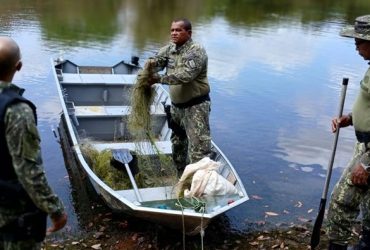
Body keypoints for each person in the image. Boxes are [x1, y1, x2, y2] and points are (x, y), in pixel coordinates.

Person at [0, 36, 67, 249]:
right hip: (10, 214)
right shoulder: (16, 110)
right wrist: (55, 209)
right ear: (18, 66)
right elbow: (28, 170)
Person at [145, 18, 212, 174]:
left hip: (195, 107)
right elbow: (157, 62)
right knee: (178, 142)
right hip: (176, 107)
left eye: (178, 30)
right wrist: (150, 65)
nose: (174, 33)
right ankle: (180, 173)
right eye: (172, 30)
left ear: (189, 33)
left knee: (198, 148)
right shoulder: (170, 49)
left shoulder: (196, 51)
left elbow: (186, 75)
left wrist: (159, 79)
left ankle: (197, 184)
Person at [326, 15, 370, 250]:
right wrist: (351, 119)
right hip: (364, 144)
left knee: (341, 204)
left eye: (359, 40)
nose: (355, 45)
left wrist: (368, 164)